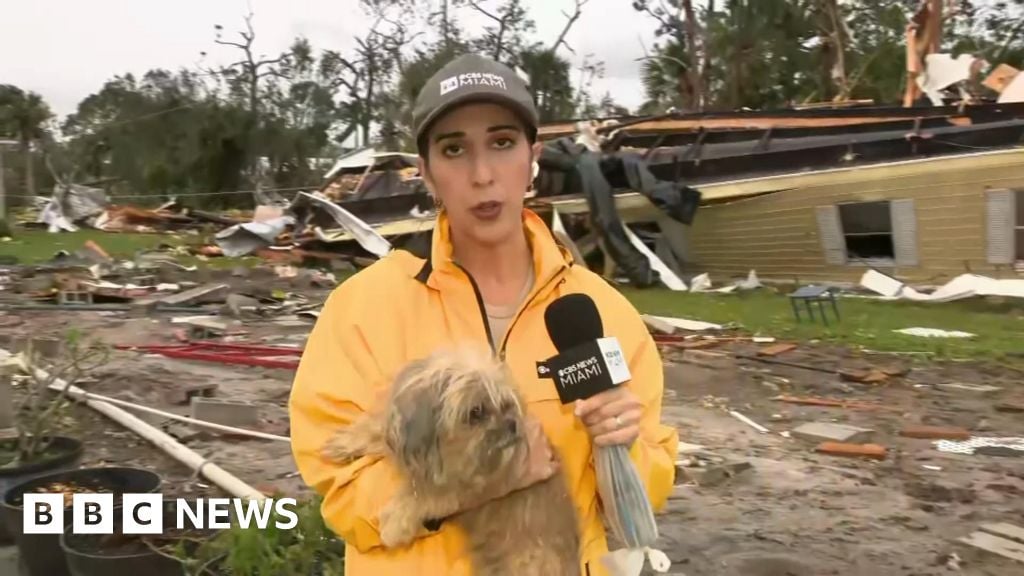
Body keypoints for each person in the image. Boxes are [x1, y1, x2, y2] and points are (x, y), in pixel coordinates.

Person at [288, 53, 678, 576]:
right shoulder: (363, 310)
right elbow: (342, 490)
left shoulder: (603, 315)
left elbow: (640, 503)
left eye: (502, 143)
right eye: (454, 150)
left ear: (532, 156)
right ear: (425, 171)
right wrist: (487, 481)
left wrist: (624, 450)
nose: (482, 174)